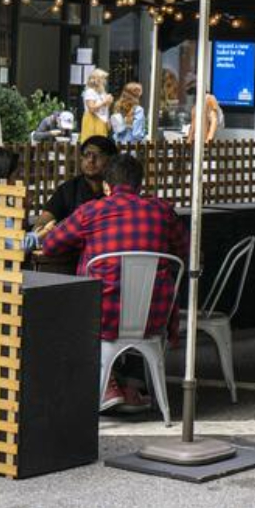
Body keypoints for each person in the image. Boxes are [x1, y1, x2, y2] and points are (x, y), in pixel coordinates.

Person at [36, 154, 188, 412]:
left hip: (101, 316)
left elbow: (50, 245)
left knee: (73, 309)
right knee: (128, 307)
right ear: (140, 186)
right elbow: (185, 249)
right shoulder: (163, 211)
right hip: (153, 317)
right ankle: (129, 386)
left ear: (107, 186)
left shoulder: (90, 211)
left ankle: (106, 386)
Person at [33, 135, 118, 232]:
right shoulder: (69, 189)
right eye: (87, 154)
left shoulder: (118, 189)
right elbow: (43, 221)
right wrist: (39, 231)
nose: (91, 160)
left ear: (112, 160)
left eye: (98, 155)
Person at [80, 68, 113, 142]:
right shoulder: (90, 92)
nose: (105, 81)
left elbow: (105, 109)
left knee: (101, 144)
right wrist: (104, 102)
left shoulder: (102, 92)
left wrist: (108, 103)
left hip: (101, 121)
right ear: (97, 79)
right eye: (103, 79)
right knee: (92, 143)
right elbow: (91, 108)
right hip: (92, 120)